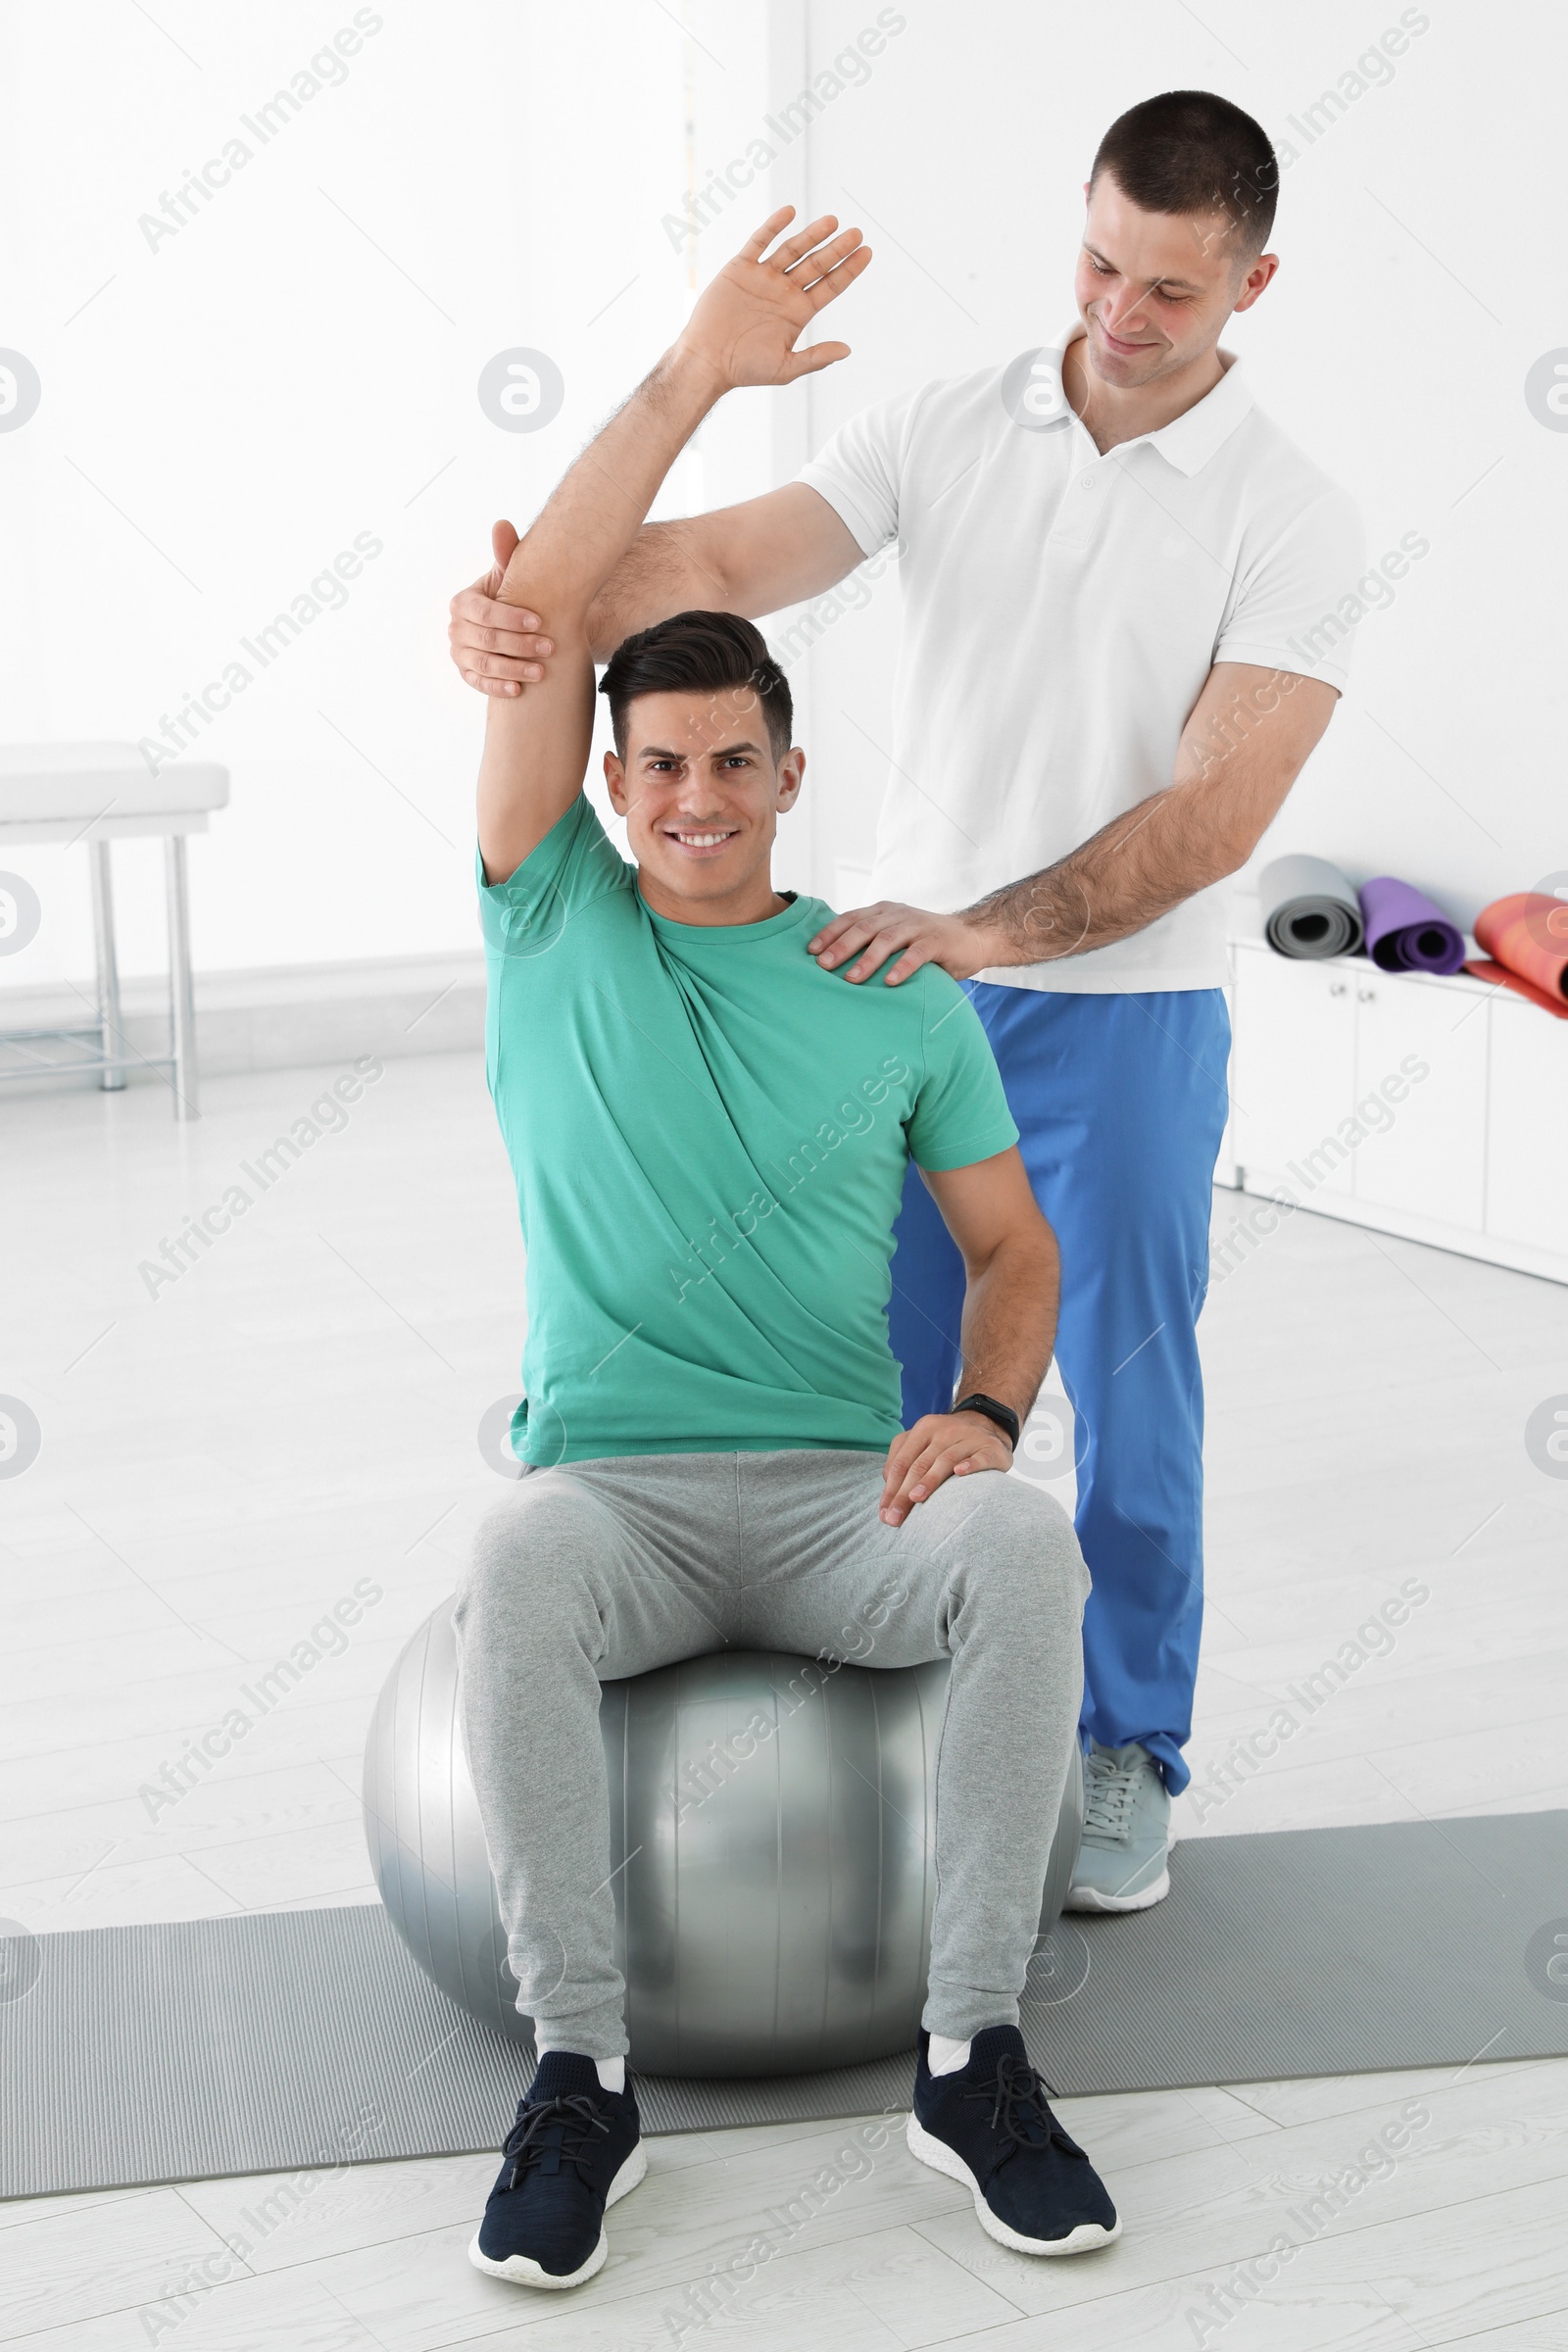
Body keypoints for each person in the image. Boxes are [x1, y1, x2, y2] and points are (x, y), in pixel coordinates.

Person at [449, 90, 1366, 1916]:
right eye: (1101, 260)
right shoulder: (947, 426)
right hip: (906, 985)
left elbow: (1210, 820)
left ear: (1255, 281)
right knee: (876, 1386)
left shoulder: (1296, 516)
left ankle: (1129, 1748)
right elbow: (691, 573)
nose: (1121, 310)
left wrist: (987, 930)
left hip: (1116, 1004)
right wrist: (512, 624)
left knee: (1119, 1390)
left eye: (1172, 291)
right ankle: (886, 1703)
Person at [456, 211, 1119, 2294]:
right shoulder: (546, 912)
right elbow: (535, 613)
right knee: (510, 1558)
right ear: (612, 782)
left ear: (785, 770)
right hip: (619, 1498)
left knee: (1021, 1541)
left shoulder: (884, 984)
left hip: (843, 1499)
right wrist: (689, 374)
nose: (696, 800)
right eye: (657, 768)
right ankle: (581, 2078)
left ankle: (968, 2055)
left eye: (734, 763)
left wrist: (981, 1414)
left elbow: (1012, 1251)